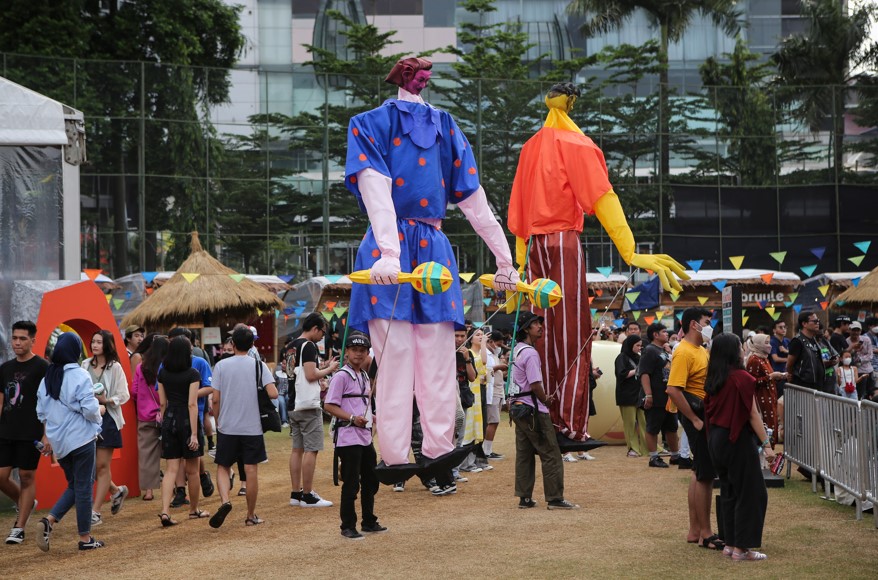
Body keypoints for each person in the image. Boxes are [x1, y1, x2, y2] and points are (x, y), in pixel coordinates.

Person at [344, 56, 519, 481]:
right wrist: (389, 251)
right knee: (398, 358)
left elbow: (474, 199)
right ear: (407, 78)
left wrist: (505, 259)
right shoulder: (371, 123)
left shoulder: (446, 126)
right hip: (396, 251)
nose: (424, 78)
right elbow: (374, 186)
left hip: (432, 248)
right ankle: (396, 456)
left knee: (440, 359)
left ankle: (439, 456)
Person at [507, 82, 688, 450]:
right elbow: (603, 197)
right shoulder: (576, 144)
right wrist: (630, 251)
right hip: (562, 242)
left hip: (537, 246)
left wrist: (518, 269)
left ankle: (545, 418)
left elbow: (519, 218)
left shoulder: (529, 149)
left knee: (542, 332)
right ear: (571, 103)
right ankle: (568, 425)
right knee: (573, 332)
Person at [704, 333, 776, 561]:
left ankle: (731, 544)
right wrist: (767, 445)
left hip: (716, 439)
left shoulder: (715, 377)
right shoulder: (742, 378)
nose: (744, 349)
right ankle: (742, 548)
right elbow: (753, 414)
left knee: (729, 491)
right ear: (733, 351)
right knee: (752, 493)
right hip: (736, 439)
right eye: (740, 346)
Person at [35, 332, 105, 551]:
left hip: (60, 444)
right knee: (83, 487)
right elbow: (90, 409)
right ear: (76, 351)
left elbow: (41, 413)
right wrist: (100, 410)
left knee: (76, 485)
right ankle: (85, 538)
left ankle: (49, 521)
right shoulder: (80, 375)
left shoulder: (47, 378)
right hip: (82, 438)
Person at [509, 311, 579, 510]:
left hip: (518, 408)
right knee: (551, 453)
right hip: (532, 409)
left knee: (524, 454)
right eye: (535, 324)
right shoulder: (530, 353)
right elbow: (535, 383)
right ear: (525, 329)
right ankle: (555, 499)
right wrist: (546, 399)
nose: (540, 326)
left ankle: (524, 497)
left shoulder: (517, 350)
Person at [209, 325, 277, 528]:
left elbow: (215, 399)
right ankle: (250, 515)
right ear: (252, 344)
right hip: (252, 426)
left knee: (223, 465)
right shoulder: (258, 365)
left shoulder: (221, 366)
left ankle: (225, 501)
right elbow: (273, 393)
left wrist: (219, 420)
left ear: (232, 344)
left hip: (227, 425)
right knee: (251, 470)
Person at [666, 307, 722, 550]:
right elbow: (673, 390)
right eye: (706, 322)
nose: (710, 326)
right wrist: (695, 419)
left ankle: (696, 529)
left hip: (701, 414)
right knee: (705, 475)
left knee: (700, 473)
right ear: (693, 324)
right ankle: (706, 532)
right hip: (696, 415)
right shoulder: (684, 352)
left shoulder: (700, 350)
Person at [324, 333, 387, 540]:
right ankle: (347, 526)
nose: (358, 354)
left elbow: (362, 404)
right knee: (351, 483)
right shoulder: (341, 376)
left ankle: (369, 521)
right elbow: (329, 405)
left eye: (362, 351)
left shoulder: (362, 375)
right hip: (348, 436)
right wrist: (352, 417)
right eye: (354, 350)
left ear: (367, 353)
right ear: (347, 352)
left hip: (364, 436)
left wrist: (374, 417)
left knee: (371, 480)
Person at [1, 321, 49, 544]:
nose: (17, 342)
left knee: (27, 476)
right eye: (14, 338)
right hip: (6, 430)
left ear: (33, 341)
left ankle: (19, 527)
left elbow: (49, 402)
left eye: (22, 338)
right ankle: (27, 503)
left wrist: (47, 434)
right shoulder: (5, 368)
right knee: (1, 476)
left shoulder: (42, 367)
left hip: (31, 431)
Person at [287, 313, 337, 508]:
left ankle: (295, 493)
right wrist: (329, 368)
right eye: (322, 332)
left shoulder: (291, 345)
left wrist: (321, 367)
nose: (322, 336)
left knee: (297, 449)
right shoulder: (309, 346)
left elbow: (298, 371)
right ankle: (307, 494)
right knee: (311, 449)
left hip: (294, 403)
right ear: (315, 328)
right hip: (307, 405)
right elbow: (310, 375)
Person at [157, 336, 208, 525]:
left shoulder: (162, 373)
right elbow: (192, 404)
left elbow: (163, 403)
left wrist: (165, 424)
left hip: (169, 420)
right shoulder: (193, 374)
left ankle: (164, 511)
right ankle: (194, 510)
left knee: (171, 470)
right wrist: (194, 434)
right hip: (187, 422)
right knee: (192, 470)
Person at [82, 330, 130, 526]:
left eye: (99, 342)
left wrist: (107, 400)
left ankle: (95, 511)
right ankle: (116, 491)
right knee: (91, 466)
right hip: (88, 419)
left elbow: (124, 394)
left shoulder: (115, 367)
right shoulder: (85, 365)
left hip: (109, 419)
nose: (94, 345)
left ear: (107, 345)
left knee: (102, 466)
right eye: (93, 341)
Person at [166, 327, 214, 507]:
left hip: (196, 413)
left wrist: (191, 395)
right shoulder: (167, 364)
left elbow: (210, 387)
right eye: (172, 340)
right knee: (177, 457)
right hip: (174, 414)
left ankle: (202, 475)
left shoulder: (200, 363)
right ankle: (180, 491)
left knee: (192, 454)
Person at [129, 335, 169, 502]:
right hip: (166, 413)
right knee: (173, 454)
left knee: (146, 454)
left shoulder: (141, 367)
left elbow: (134, 391)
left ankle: (149, 491)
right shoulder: (167, 367)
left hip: (146, 416)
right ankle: (176, 487)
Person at [638, 322, 681, 469]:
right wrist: (648, 395)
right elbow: (644, 373)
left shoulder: (662, 350)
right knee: (653, 427)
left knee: (672, 427)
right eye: (663, 332)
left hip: (668, 397)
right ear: (655, 335)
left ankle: (675, 455)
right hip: (656, 397)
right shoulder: (649, 350)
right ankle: (653, 457)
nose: (667, 334)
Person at [744, 334, 786, 446]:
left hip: (769, 397)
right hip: (761, 400)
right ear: (758, 344)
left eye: (769, 342)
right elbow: (751, 382)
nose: (769, 346)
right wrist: (771, 377)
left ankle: (769, 454)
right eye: (766, 343)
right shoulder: (754, 360)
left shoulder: (764, 357)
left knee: (771, 427)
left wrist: (777, 377)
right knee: (765, 429)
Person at [615, 335, 647, 458]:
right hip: (626, 395)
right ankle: (633, 448)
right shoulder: (621, 358)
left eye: (640, 345)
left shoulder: (639, 358)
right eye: (637, 345)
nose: (639, 348)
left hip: (639, 394)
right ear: (630, 345)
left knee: (644, 422)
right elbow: (621, 374)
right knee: (630, 424)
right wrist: (638, 369)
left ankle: (647, 447)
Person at [787, 312, 833, 392]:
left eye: (818, 321)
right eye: (814, 321)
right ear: (804, 323)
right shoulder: (797, 341)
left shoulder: (813, 339)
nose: (817, 323)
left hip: (818, 384)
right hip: (804, 386)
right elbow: (789, 364)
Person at [847, 322, 874, 400]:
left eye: (857, 330)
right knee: (859, 394)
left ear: (860, 330)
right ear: (849, 330)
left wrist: (860, 359)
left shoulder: (866, 339)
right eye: (853, 330)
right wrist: (854, 350)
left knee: (871, 393)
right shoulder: (847, 342)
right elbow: (846, 356)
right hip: (856, 372)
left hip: (869, 370)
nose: (855, 332)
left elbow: (870, 355)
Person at [768, 320, 789, 398]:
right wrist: (788, 359)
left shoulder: (787, 340)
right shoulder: (772, 341)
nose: (783, 329)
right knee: (780, 398)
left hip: (787, 373)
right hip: (777, 375)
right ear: (774, 330)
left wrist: (786, 351)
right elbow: (775, 358)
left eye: (785, 327)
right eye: (780, 327)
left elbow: (794, 354)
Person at [273, 359, 290, 428]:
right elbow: (273, 383)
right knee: (282, 402)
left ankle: (290, 420)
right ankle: (284, 421)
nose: (284, 365)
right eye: (283, 364)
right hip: (279, 393)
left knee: (289, 400)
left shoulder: (291, 373)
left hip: (288, 393)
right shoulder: (277, 372)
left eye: (285, 364)